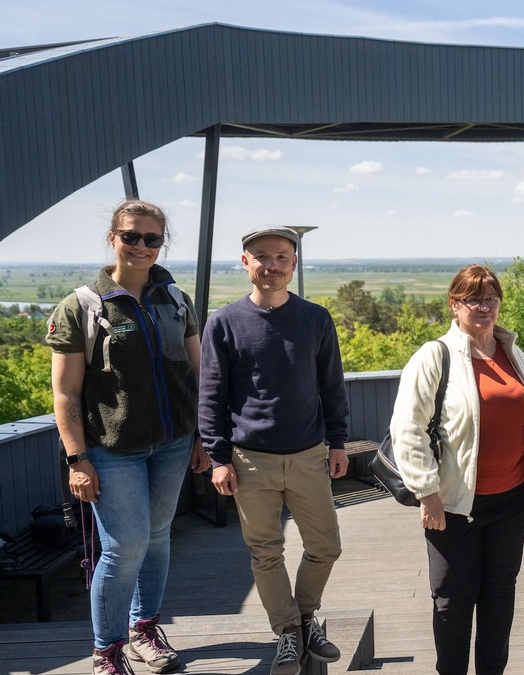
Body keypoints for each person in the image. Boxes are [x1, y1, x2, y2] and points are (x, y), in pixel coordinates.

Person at [46, 199, 210, 675]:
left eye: (151, 238)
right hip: (111, 450)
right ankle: (107, 651)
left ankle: (145, 630)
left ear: (162, 243)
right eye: (131, 236)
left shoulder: (176, 301)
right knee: (124, 548)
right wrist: (77, 459)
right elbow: (65, 393)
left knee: (157, 539)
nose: (141, 246)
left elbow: (200, 374)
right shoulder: (82, 306)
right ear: (112, 238)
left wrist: (204, 436)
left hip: (174, 442)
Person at [199, 226, 350, 675]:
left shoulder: (316, 318)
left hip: (309, 455)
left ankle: (302, 619)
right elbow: (211, 396)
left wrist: (338, 441)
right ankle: (288, 632)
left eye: (282, 256)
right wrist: (218, 458)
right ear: (245, 263)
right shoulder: (224, 322)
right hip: (249, 460)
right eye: (262, 256)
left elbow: (332, 386)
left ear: (294, 264)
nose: (272, 265)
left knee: (326, 547)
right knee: (265, 553)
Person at [390, 264, 524, 675]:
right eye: (474, 299)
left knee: (499, 598)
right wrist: (427, 492)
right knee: (452, 602)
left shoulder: (511, 352)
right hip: (453, 507)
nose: (484, 307)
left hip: (513, 500)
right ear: (454, 304)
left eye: (491, 298)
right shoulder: (435, 356)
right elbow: (408, 428)